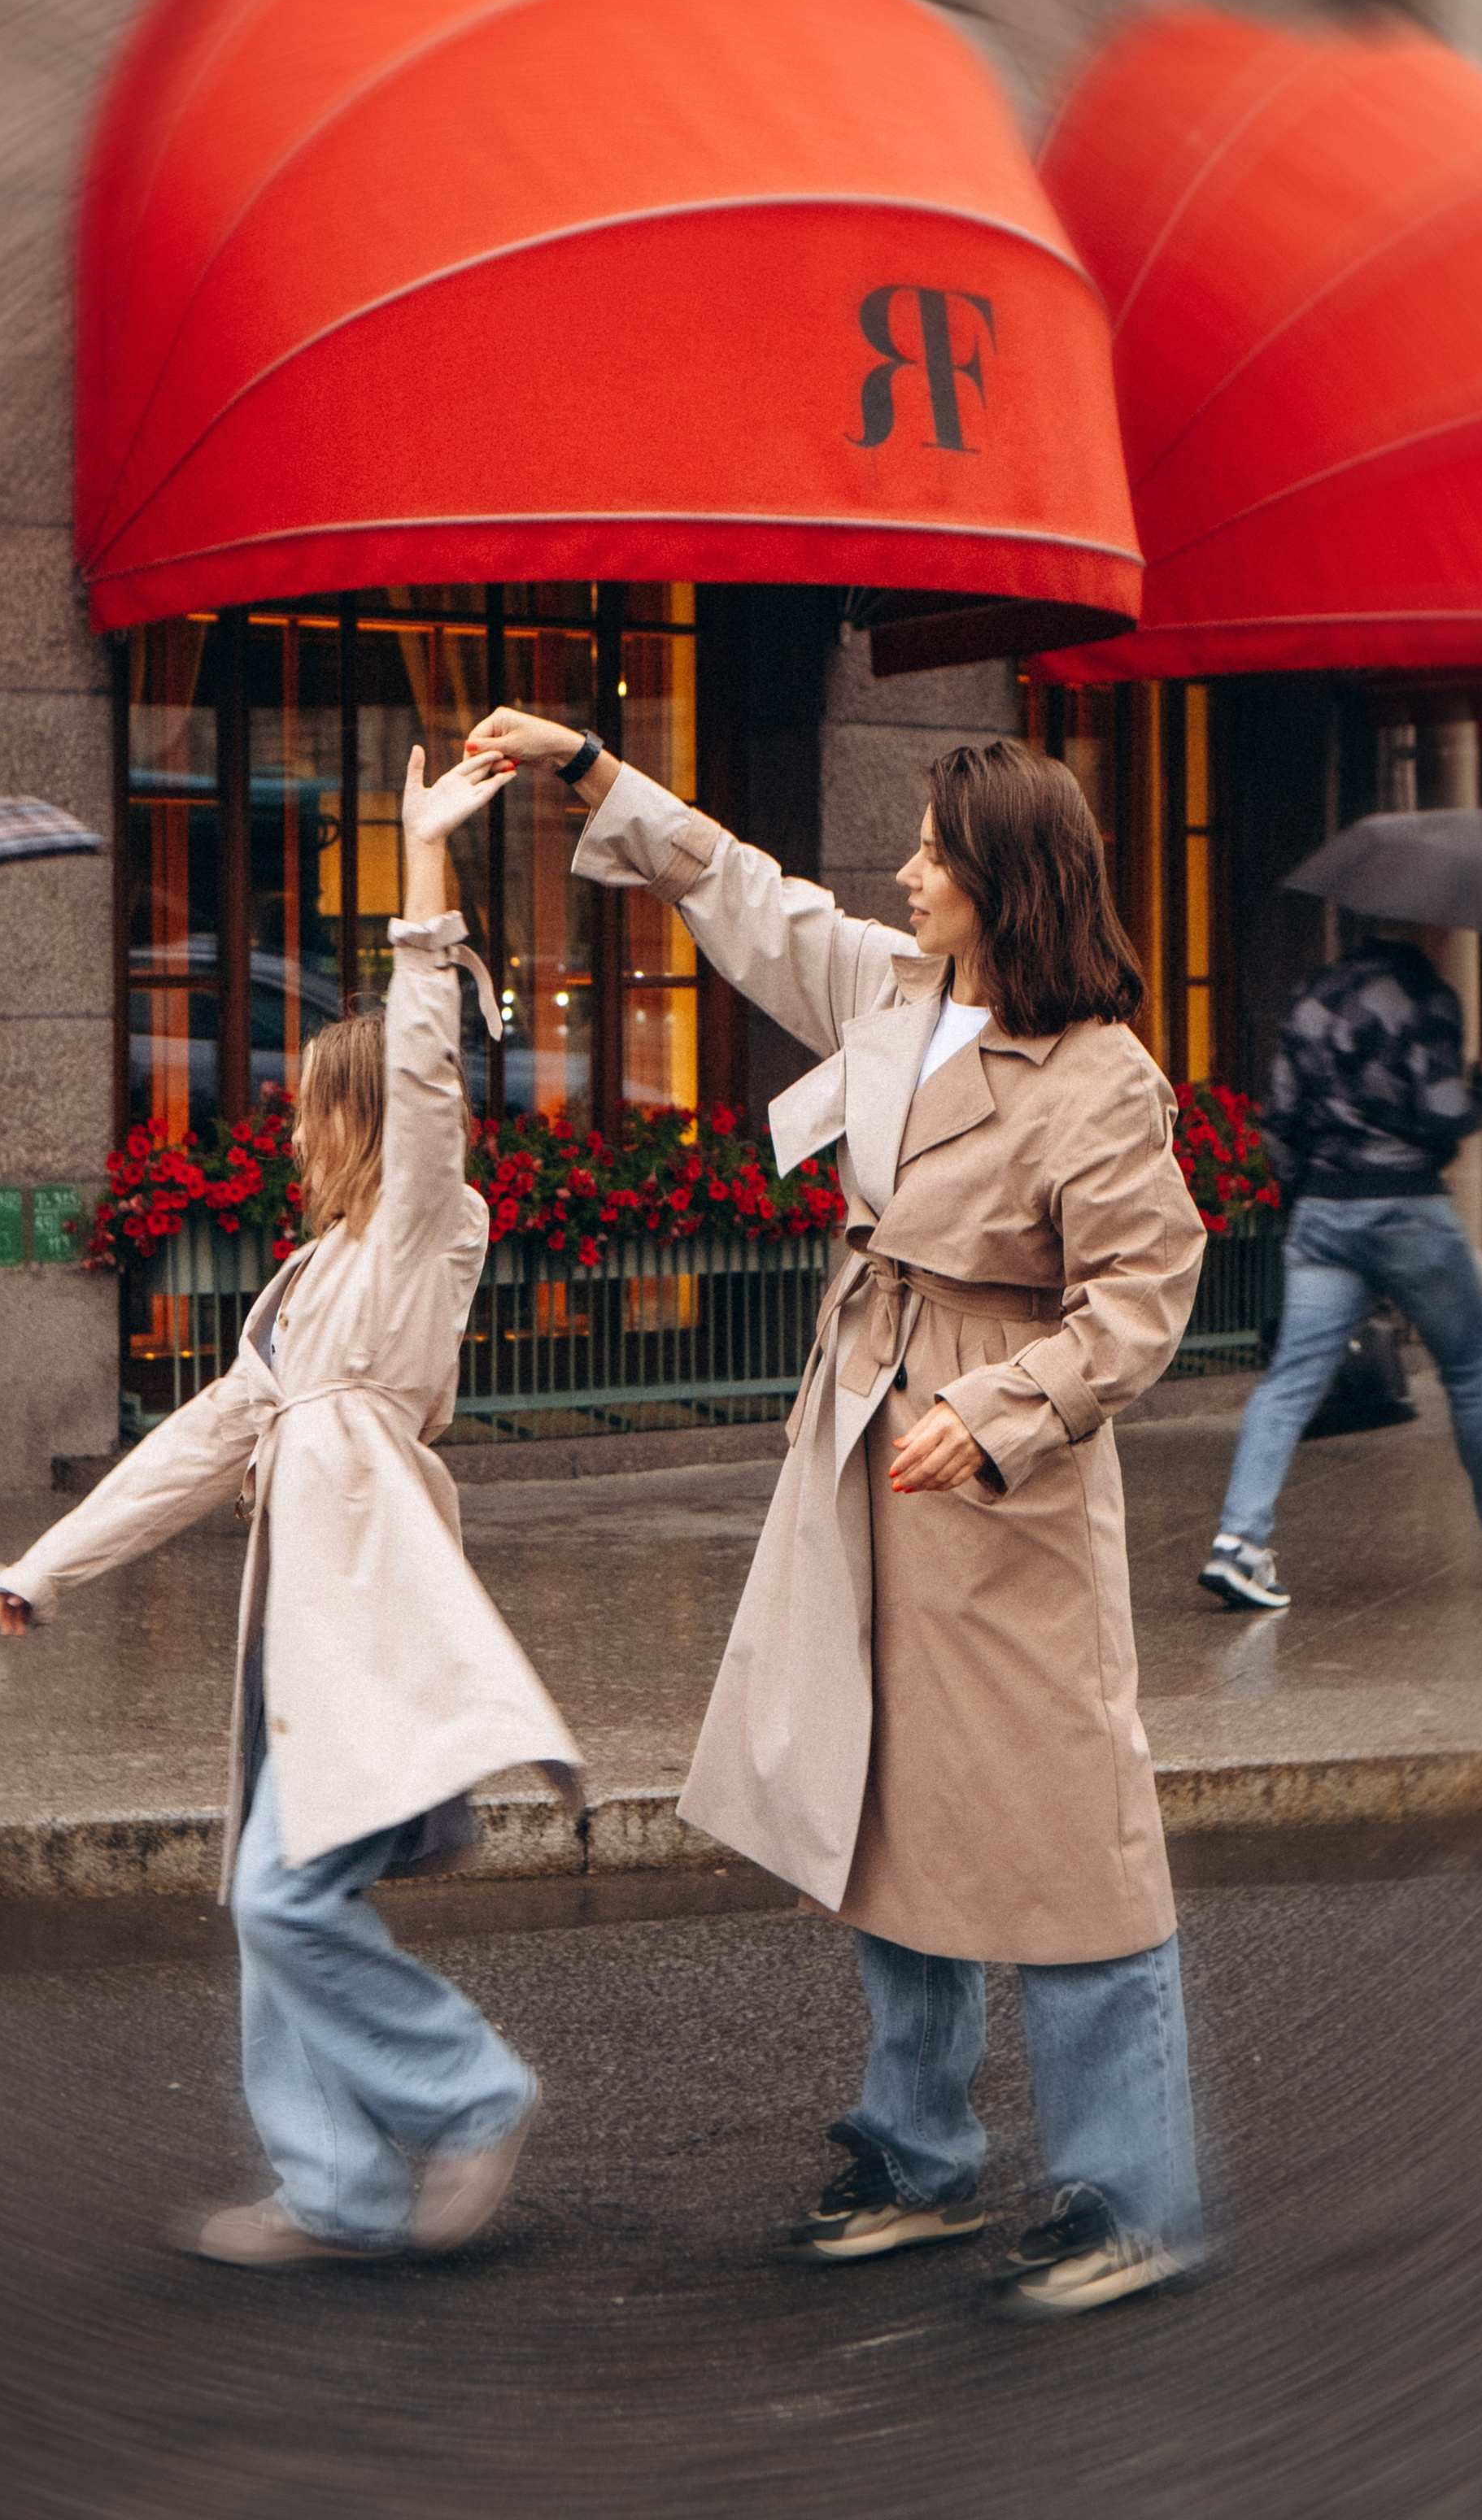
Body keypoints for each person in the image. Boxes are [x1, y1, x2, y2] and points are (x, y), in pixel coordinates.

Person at [469, 711, 1205, 2321]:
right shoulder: (895, 990)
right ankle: (916, 2150)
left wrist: (991, 1414)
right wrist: (592, 772)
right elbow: (742, 893)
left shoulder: (1099, 1080)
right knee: (883, 1804)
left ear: (1004, 878)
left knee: (1065, 1831)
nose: (905, 870)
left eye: (935, 852)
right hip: (861, 1445)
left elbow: (1143, 1300)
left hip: (996, 1492)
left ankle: (1127, 2188)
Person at [0, 748, 582, 2266]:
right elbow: (198, 1439)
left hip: (359, 1612)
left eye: (314, 1106)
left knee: (283, 1901)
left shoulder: (411, 1245)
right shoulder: (313, 1281)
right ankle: (340, 2190)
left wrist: (425, 873)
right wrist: (47, 1569)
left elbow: (436, 1071)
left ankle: (465, 2096)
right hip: (299, 1623)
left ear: (361, 1120)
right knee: (268, 1892)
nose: (292, 1128)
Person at [1201, 929, 1482, 1613]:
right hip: (1408, 1210)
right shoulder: (1427, 996)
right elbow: (1443, 1118)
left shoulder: (1309, 997)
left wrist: (1310, 1197)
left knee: (1289, 1381)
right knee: (1470, 1372)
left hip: (1324, 1212)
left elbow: (1279, 1122)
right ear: (1427, 929)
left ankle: (1237, 1544)